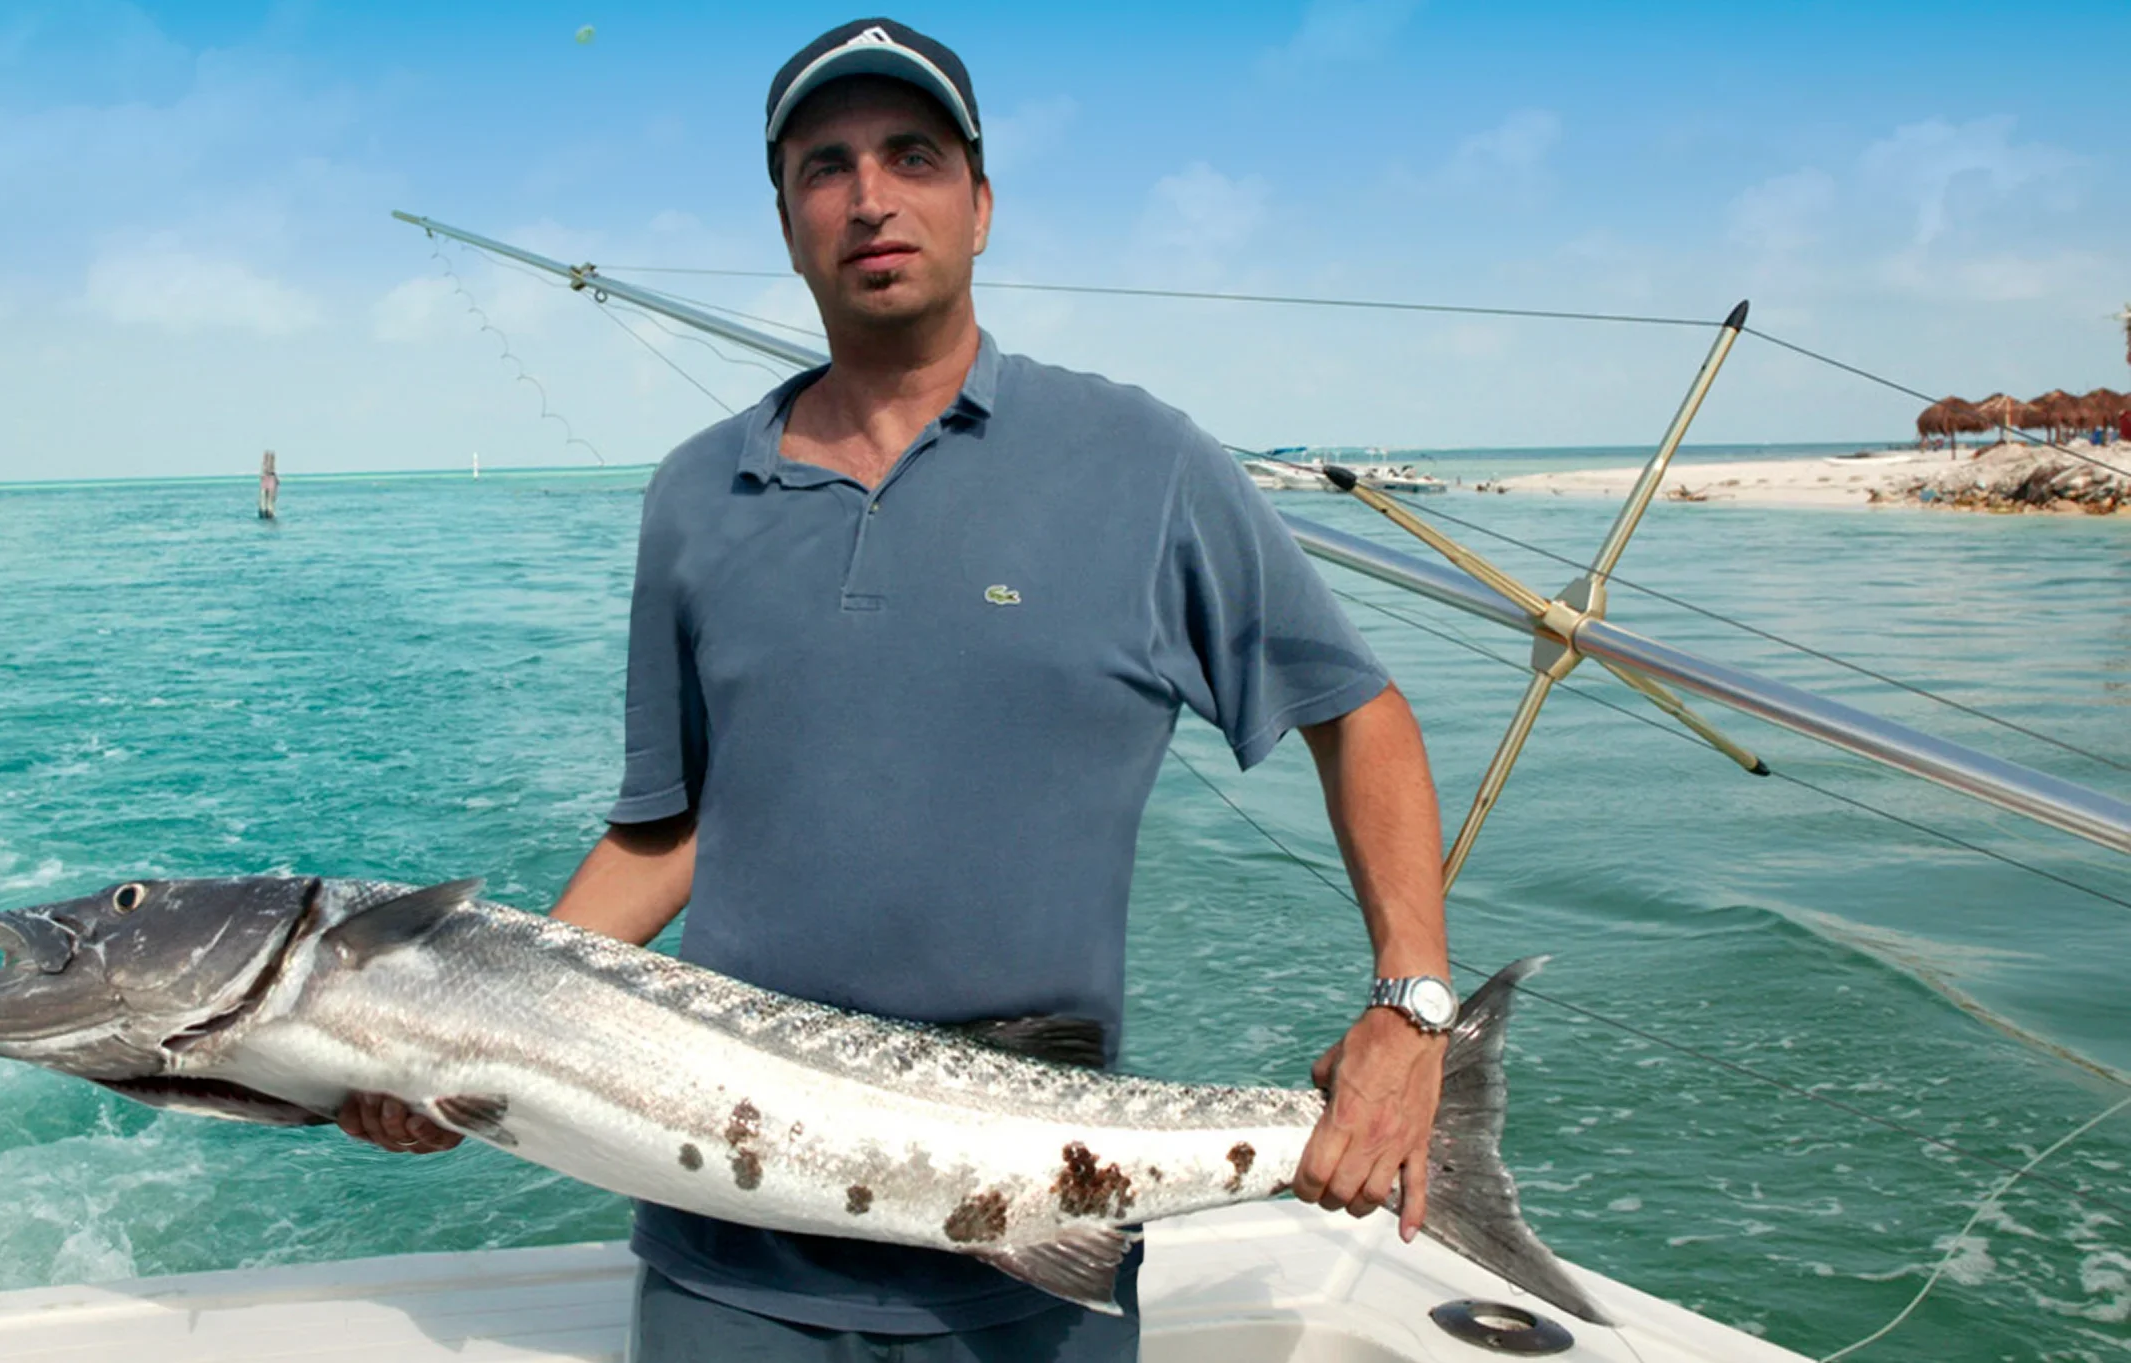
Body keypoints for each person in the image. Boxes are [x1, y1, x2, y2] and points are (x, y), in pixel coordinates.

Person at [339, 18, 1452, 1361]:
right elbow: (667, 828)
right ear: (790, 221)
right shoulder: (694, 495)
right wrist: (464, 1034)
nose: (871, 195)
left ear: (980, 205)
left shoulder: (1145, 460)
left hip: (1042, 1244)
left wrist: (1411, 1006)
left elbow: (1360, 714)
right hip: (722, 1261)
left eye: (913, 155)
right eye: (827, 165)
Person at [258, 450, 279, 520]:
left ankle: (266, 513)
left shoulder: (268, 475)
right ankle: (267, 513)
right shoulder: (266, 475)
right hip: (267, 478)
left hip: (268, 478)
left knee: (267, 503)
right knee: (267, 502)